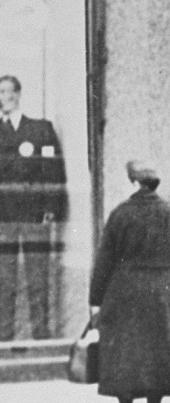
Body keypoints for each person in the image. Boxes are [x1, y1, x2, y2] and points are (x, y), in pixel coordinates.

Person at [89, 160, 170, 403]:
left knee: (126, 352)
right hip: (164, 293)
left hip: (125, 292)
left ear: (134, 183)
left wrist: (96, 300)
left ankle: (126, 398)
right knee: (160, 353)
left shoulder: (120, 214)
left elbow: (104, 260)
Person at [0, 74, 67, 341]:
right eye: (1, 93)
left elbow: (54, 172)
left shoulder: (40, 130)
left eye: (9, 92)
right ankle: (3, 342)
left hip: (34, 217)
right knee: (4, 283)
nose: (6, 98)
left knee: (38, 282)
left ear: (18, 95)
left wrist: (51, 209)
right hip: (3, 219)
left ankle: (42, 339)